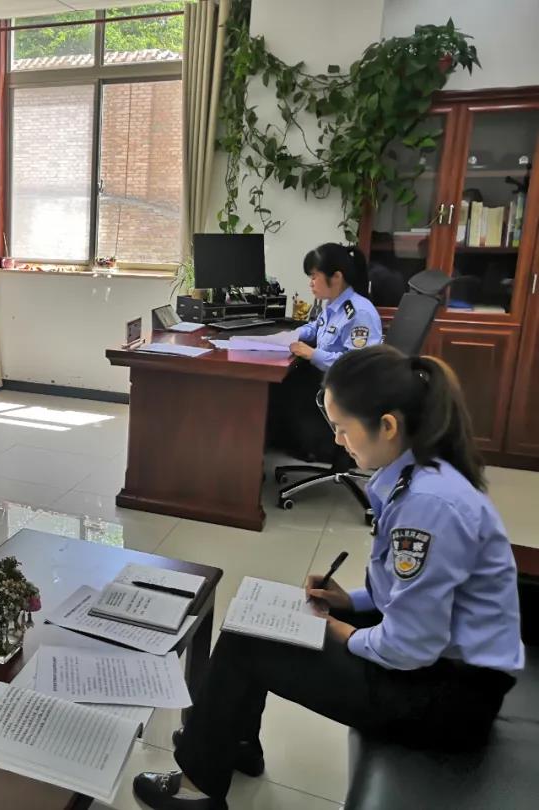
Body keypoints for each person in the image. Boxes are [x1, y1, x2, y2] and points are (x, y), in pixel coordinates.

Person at [134, 344, 524, 809]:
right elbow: (413, 592)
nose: (337, 441)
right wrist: (351, 602)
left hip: (447, 699)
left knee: (247, 644)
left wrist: (342, 632)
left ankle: (197, 786)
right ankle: (232, 741)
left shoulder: (428, 504)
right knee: (253, 621)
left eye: (342, 428)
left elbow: (410, 646)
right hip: (441, 665)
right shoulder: (420, 471)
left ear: (388, 426)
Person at [269, 243, 383, 461]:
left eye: (314, 276)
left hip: (344, 388)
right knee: (279, 383)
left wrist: (312, 354)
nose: (310, 283)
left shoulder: (359, 312)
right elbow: (316, 328)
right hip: (327, 378)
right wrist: (293, 335)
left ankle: (313, 446)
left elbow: (356, 366)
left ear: (336, 277)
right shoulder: (334, 305)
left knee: (280, 388)